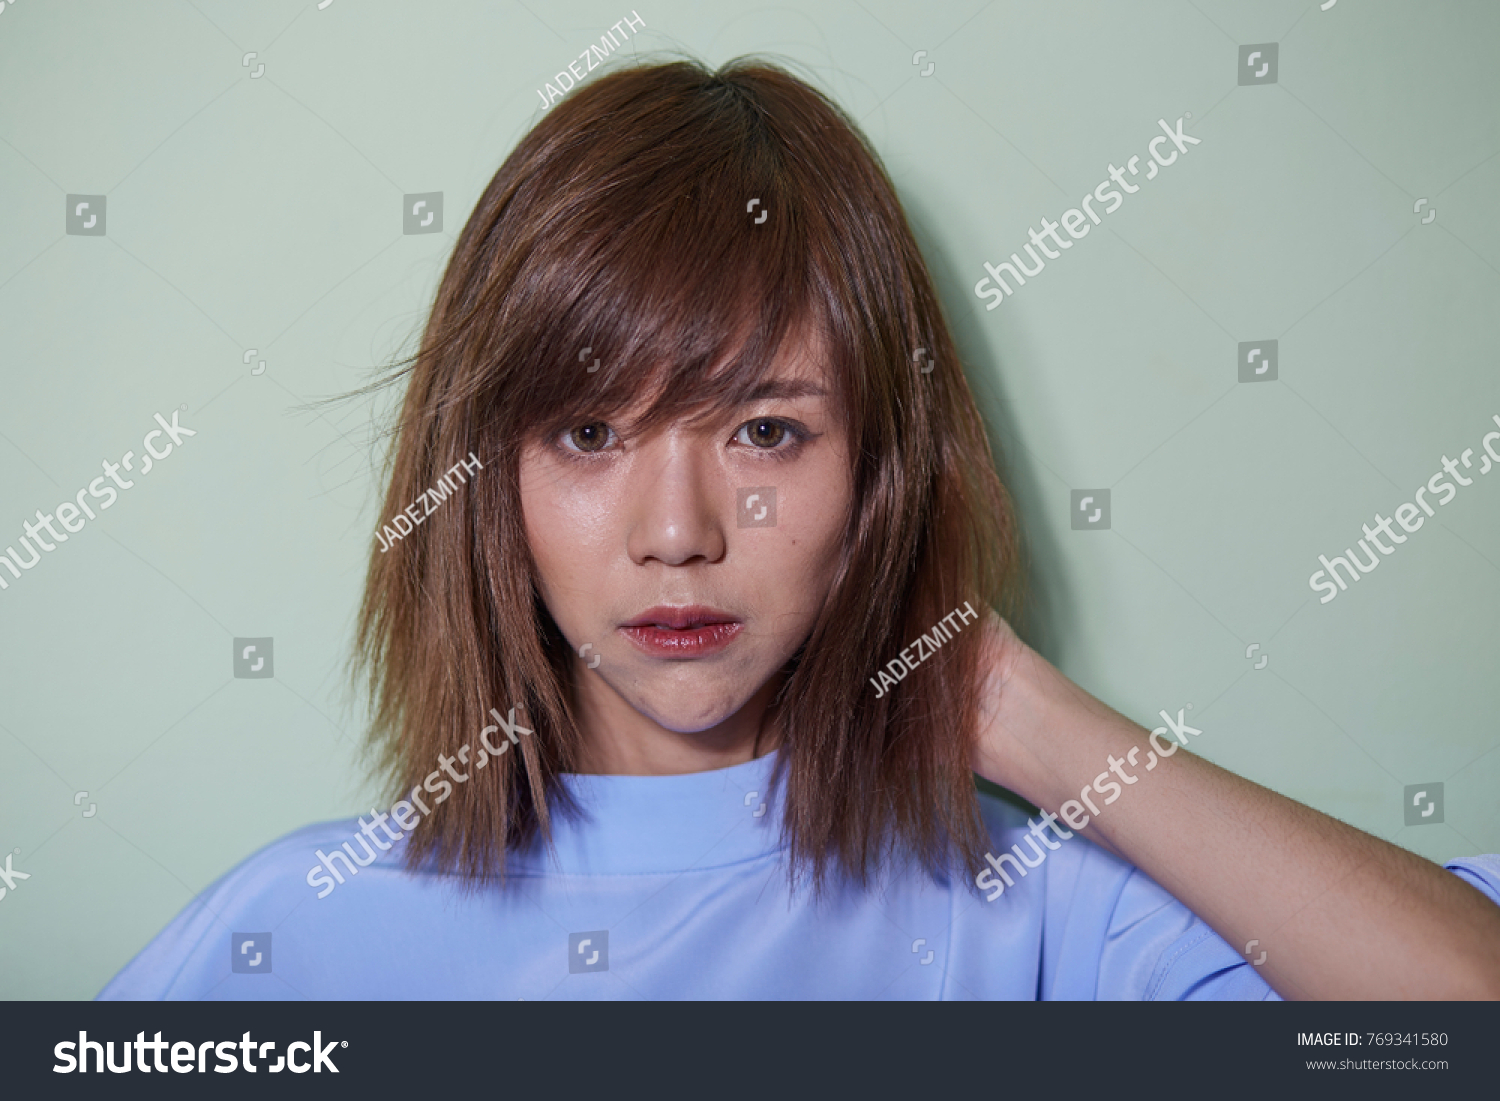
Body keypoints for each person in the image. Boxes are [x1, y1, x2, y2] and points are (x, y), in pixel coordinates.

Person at [100, 56, 1500, 1001]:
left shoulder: (1037, 916)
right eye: (589, 433)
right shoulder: (295, 925)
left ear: (881, 473)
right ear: (490, 481)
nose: (677, 532)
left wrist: (1019, 712)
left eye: (767, 430)